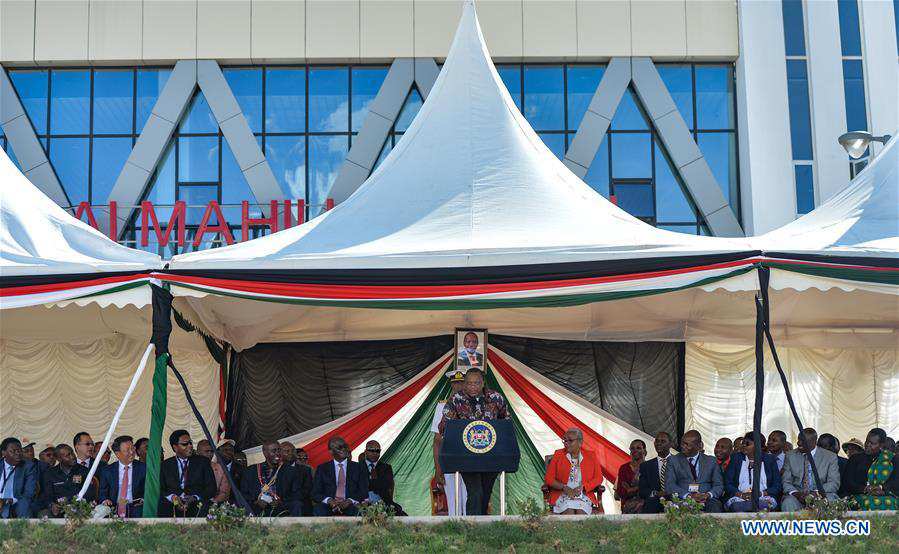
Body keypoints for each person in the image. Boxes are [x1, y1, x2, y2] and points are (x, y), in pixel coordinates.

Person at [439, 368, 510, 516]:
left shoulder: (496, 398)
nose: (473, 387)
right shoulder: (456, 399)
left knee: (485, 493)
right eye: (469, 383)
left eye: (476, 383)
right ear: (464, 384)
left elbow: (507, 424)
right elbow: (444, 426)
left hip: (491, 455)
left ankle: (481, 525)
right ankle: (472, 525)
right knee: (475, 491)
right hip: (467, 457)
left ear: (483, 383)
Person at [431, 368, 468, 515]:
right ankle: (455, 529)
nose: (458, 387)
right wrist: (438, 468)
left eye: (461, 383)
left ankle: (470, 529)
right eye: (455, 384)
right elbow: (437, 441)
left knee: (469, 498)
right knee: (453, 500)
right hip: (449, 458)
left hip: (469, 459)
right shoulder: (442, 406)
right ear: (451, 385)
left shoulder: (473, 406)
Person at [543, 428, 602, 515]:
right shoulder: (558, 454)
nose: (566, 443)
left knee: (581, 511)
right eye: (565, 440)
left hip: (583, 495)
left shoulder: (591, 456)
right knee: (569, 509)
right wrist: (564, 487)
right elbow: (548, 478)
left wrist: (584, 487)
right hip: (562, 494)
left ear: (580, 442)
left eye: (570, 440)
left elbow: (599, 478)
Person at [781, 428, 840, 512]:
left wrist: (816, 493)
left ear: (814, 442)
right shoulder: (790, 455)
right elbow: (786, 481)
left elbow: (834, 482)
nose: (798, 443)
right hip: (798, 496)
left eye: (803, 440)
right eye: (798, 439)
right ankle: (794, 525)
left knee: (830, 500)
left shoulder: (830, 457)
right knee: (788, 502)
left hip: (821, 494)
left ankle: (823, 525)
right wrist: (796, 493)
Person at [241, 441, 307, 516]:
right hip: (258, 507)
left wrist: (280, 502)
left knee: (297, 504)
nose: (277, 454)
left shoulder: (291, 471)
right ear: (265, 453)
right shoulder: (251, 471)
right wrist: (256, 502)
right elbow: (244, 494)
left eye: (279, 450)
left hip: (281, 507)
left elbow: (297, 493)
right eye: (274, 451)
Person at [665, 430, 724, 512]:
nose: (682, 446)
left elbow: (719, 485)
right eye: (682, 443)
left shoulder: (711, 461)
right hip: (683, 499)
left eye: (687, 444)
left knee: (715, 506)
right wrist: (688, 495)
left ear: (698, 446)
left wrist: (708, 495)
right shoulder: (673, 460)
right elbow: (669, 485)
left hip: (707, 499)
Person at [723, 432, 782, 512]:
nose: (743, 445)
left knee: (763, 505)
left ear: (758, 446)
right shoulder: (736, 458)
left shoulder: (769, 459)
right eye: (743, 443)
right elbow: (727, 483)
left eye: (747, 443)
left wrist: (761, 494)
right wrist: (740, 494)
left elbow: (777, 485)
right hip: (739, 497)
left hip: (763, 497)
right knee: (737, 506)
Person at [841, 428, 898, 510]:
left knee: (891, 502)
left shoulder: (891, 459)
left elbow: (895, 481)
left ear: (881, 445)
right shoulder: (855, 459)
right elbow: (847, 482)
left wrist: (882, 488)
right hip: (858, 495)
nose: (868, 445)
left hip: (884, 495)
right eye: (867, 441)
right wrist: (864, 489)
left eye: (872, 443)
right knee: (868, 503)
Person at [311, 436, 368, 516]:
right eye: (339, 447)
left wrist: (349, 500)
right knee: (319, 510)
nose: (343, 449)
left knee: (358, 512)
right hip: (329, 505)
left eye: (345, 446)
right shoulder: (322, 469)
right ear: (331, 451)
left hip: (350, 504)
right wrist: (329, 500)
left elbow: (363, 491)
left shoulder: (358, 467)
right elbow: (315, 493)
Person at [98, 435, 145, 518]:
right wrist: (105, 500)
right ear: (117, 454)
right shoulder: (107, 471)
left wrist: (143, 499)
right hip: (114, 507)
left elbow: (149, 490)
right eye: (127, 450)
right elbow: (103, 492)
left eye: (132, 448)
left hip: (136, 507)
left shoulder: (143, 468)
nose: (131, 452)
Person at [42, 444, 95, 517]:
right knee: (44, 514)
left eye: (72, 453)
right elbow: (47, 495)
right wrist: (51, 505)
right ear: (59, 459)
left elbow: (89, 493)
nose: (73, 457)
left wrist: (75, 505)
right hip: (59, 510)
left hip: (79, 508)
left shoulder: (84, 471)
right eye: (68, 455)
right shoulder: (50, 474)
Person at [362, 440, 406, 515]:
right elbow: (359, 487)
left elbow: (386, 486)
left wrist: (369, 483)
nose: (374, 453)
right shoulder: (357, 467)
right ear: (365, 451)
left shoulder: (386, 467)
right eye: (371, 450)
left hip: (384, 503)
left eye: (377, 451)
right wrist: (376, 483)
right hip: (363, 504)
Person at [638, 431, 674, 514]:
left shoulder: (680, 462)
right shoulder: (646, 466)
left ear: (670, 444)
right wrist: (656, 493)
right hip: (653, 504)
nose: (659, 444)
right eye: (657, 441)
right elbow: (642, 491)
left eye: (663, 441)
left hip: (675, 501)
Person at [0, 437, 36, 519]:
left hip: (17, 501)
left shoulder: (28, 466)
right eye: (13, 451)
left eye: (19, 450)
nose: (18, 453)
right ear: (4, 453)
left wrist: (8, 500)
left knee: (24, 505)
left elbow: (29, 492)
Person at [614, 439, 646, 514]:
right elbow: (621, 492)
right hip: (627, 504)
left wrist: (631, 489)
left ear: (645, 451)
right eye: (632, 448)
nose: (635, 450)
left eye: (638, 448)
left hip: (645, 502)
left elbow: (650, 490)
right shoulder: (624, 468)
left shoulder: (649, 467)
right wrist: (640, 487)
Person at [196, 439, 231, 505]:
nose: (210, 454)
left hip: (213, 506)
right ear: (198, 452)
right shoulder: (189, 467)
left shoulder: (221, 468)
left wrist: (213, 502)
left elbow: (224, 492)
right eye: (207, 451)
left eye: (211, 451)